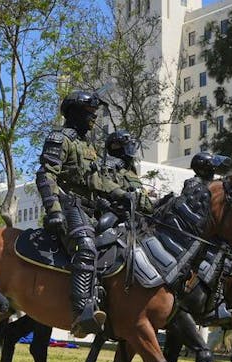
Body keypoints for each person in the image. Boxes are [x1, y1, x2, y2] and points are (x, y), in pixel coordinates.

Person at [35, 90, 110, 337]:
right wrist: (54, 210)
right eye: (90, 114)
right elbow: (46, 175)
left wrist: (127, 196)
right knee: (86, 247)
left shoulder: (88, 146)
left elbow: (99, 182)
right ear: (75, 114)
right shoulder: (60, 139)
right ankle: (80, 314)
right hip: (68, 206)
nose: (93, 119)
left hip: (90, 210)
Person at [100, 129, 152, 213]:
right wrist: (123, 195)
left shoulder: (130, 171)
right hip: (118, 215)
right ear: (114, 146)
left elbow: (143, 198)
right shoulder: (108, 165)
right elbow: (105, 186)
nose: (130, 147)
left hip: (139, 215)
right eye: (125, 143)